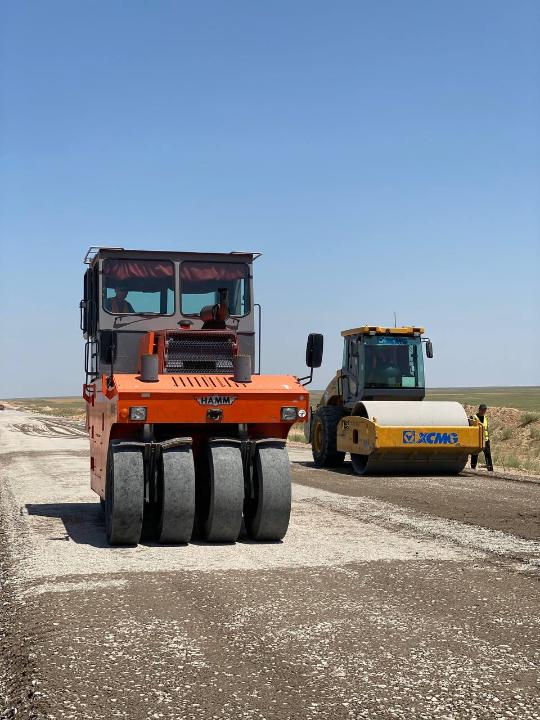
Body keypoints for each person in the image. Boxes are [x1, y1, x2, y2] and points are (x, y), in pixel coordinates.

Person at [470, 403, 493, 471]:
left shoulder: (485, 418)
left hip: (485, 440)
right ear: (479, 410)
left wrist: (488, 438)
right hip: (477, 439)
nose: (484, 411)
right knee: (475, 453)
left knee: (488, 454)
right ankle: (473, 468)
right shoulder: (474, 417)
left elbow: (486, 429)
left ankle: (490, 469)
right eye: (482, 410)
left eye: (485, 410)